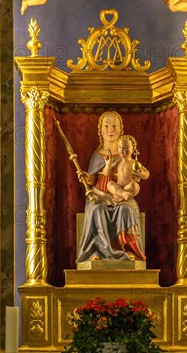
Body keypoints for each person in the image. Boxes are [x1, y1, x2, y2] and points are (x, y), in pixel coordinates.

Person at [76, 111, 149, 263]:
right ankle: (98, 251)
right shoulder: (97, 155)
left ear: (121, 129)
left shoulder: (126, 155)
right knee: (97, 210)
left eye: (114, 126)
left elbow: (138, 175)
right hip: (99, 197)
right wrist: (87, 177)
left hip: (121, 198)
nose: (110, 130)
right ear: (100, 130)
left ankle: (128, 250)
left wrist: (135, 177)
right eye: (106, 126)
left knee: (126, 209)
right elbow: (93, 180)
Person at [106, 135, 141, 203]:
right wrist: (108, 163)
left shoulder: (134, 163)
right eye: (120, 147)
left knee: (135, 186)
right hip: (118, 186)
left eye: (125, 147)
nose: (122, 149)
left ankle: (119, 196)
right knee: (109, 184)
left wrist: (141, 172)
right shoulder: (117, 162)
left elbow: (147, 174)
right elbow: (107, 173)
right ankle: (123, 194)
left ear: (133, 149)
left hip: (129, 186)